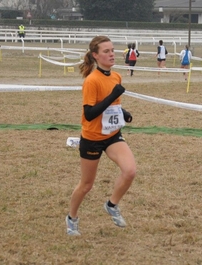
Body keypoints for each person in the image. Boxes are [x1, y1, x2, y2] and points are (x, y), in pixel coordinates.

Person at [65, 36, 136, 236]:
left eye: (112, 50)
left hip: (112, 135)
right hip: (92, 138)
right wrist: (113, 96)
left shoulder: (116, 77)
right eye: (106, 51)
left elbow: (112, 106)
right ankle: (72, 218)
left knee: (130, 171)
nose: (111, 54)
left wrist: (123, 112)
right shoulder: (92, 81)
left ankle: (111, 205)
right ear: (95, 56)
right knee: (87, 185)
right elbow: (89, 114)